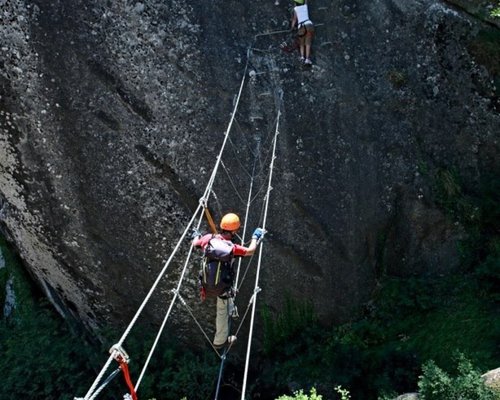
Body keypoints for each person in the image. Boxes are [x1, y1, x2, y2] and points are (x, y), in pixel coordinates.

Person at [192, 213, 265, 349]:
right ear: (234, 231)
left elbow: (195, 243)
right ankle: (219, 342)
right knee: (222, 311)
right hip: (222, 289)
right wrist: (255, 237)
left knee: (222, 306)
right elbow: (250, 251)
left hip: (206, 286)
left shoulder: (208, 239)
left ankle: (229, 316)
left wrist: (196, 235)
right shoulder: (231, 248)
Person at [290, 0, 315, 65]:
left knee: (301, 43)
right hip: (308, 24)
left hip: (300, 26)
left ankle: (302, 57)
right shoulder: (305, 6)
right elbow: (306, 1)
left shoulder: (295, 9)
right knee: (308, 43)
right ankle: (307, 59)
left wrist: (292, 28)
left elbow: (294, 19)